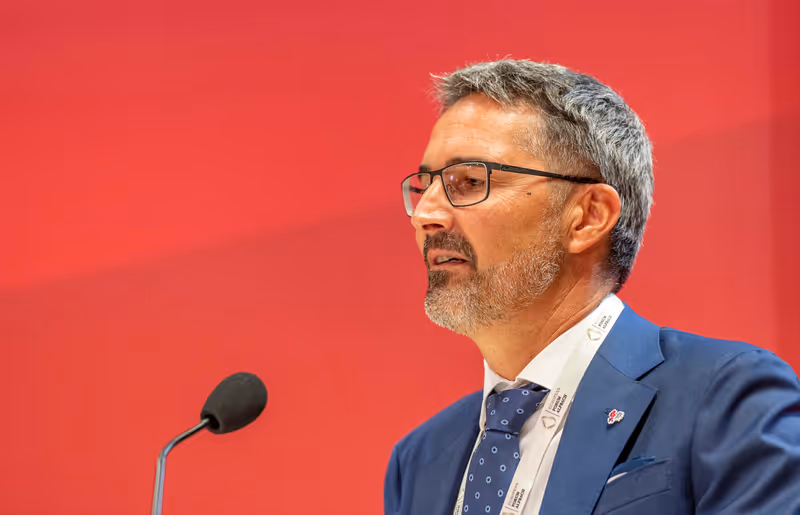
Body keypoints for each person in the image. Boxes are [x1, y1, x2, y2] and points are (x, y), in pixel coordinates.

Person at [384, 59, 800, 515]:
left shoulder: (724, 398)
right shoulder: (419, 461)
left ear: (588, 216)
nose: (426, 215)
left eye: (469, 182)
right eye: (425, 187)